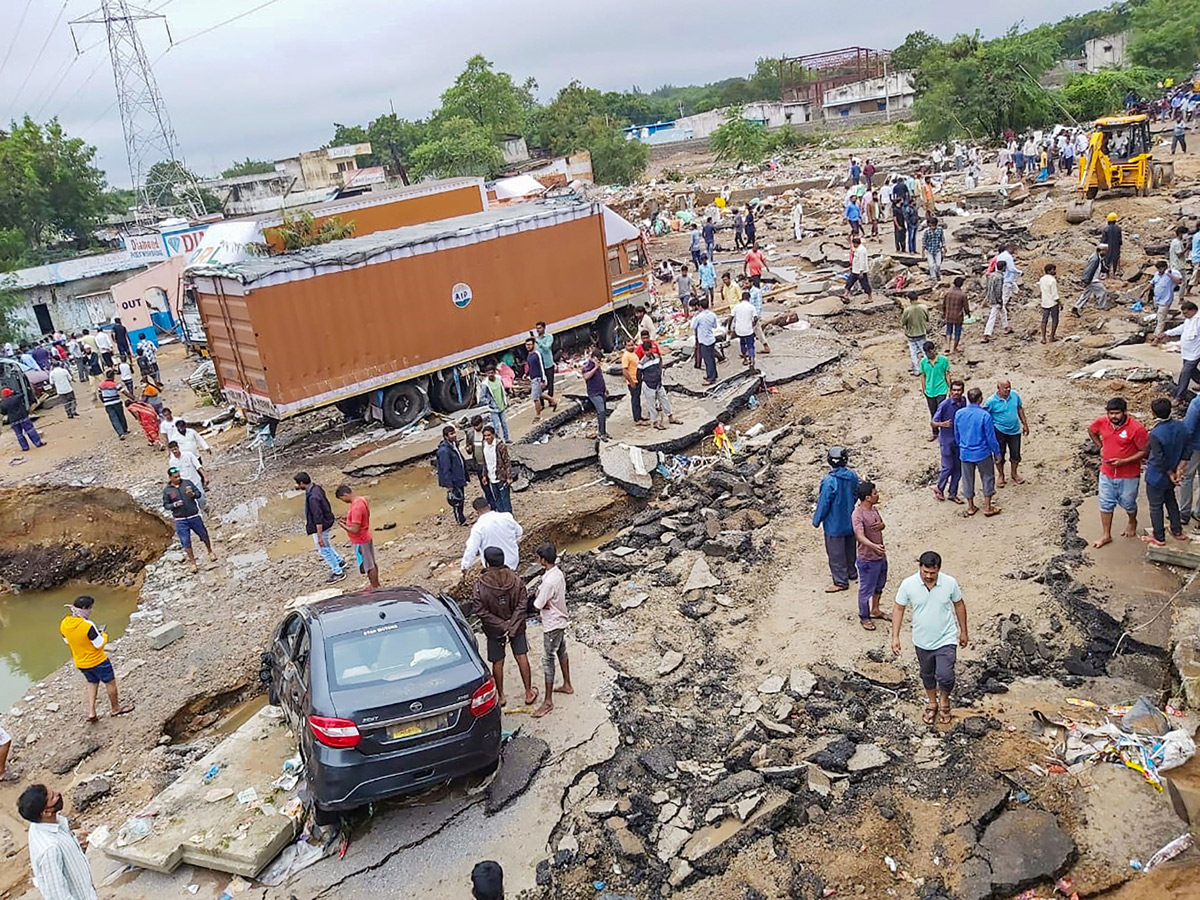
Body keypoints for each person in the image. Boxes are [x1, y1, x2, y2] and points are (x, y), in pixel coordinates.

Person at [891, 550, 968, 727]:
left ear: (938, 569)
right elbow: (898, 608)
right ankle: (932, 703)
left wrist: (963, 631)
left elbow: (959, 604)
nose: (928, 576)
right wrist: (895, 636)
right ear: (920, 567)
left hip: (946, 638)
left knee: (945, 675)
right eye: (925, 572)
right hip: (921, 639)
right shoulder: (908, 584)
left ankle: (944, 701)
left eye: (932, 573)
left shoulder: (949, 583)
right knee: (927, 674)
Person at [472, 546, 536, 707]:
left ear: (487, 562)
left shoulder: (481, 584)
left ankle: (501, 697)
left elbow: (479, 610)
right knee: (521, 656)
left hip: (494, 630)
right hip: (517, 626)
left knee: (498, 661)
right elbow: (523, 603)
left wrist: (502, 625)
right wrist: (512, 625)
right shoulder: (515, 579)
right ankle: (528, 692)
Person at [1088, 397, 1150, 549]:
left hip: (1129, 475)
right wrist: (1100, 447)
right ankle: (1106, 534)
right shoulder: (1102, 422)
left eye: (1117, 413)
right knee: (1105, 503)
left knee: (1128, 503)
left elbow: (1145, 451)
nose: (1113, 417)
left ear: (1125, 412)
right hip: (1106, 472)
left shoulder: (1137, 429)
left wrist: (1124, 461)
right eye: (1110, 413)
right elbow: (1091, 430)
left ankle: (1132, 521)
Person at [18, 783, 99, 900]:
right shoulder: (49, 850)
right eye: (53, 797)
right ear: (46, 812)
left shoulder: (39, 825)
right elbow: (58, 895)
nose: (58, 794)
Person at [60, 594, 134, 721]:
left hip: (81, 662)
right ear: (85, 608)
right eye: (90, 608)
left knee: (92, 683)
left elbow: (67, 641)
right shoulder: (87, 625)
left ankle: (92, 712)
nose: (91, 611)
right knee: (110, 683)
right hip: (98, 661)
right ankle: (115, 709)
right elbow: (99, 644)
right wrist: (104, 635)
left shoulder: (65, 623)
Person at [531, 542, 573, 718]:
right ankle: (567, 684)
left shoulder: (548, 582)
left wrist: (537, 599)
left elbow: (537, 604)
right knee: (561, 651)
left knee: (548, 659)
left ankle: (548, 702)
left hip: (552, 623)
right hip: (560, 619)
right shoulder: (557, 574)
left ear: (542, 560)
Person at [1142, 398, 1191, 547]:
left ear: (1153, 413)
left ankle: (1159, 537)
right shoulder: (1181, 427)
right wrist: (1179, 470)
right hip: (1174, 473)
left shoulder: (1156, 433)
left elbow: (1159, 458)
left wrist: (1170, 473)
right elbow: (1187, 450)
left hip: (1157, 476)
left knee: (1156, 506)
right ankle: (1177, 530)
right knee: (1171, 501)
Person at [812, 446, 859, 593]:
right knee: (850, 550)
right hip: (850, 519)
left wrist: (816, 520)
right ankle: (852, 573)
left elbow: (824, 503)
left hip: (834, 524)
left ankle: (840, 581)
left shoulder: (829, 481)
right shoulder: (852, 475)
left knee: (836, 554)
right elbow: (856, 493)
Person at [954, 387, 1002, 517]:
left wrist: (961, 446)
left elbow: (957, 434)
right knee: (987, 477)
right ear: (980, 399)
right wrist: (997, 452)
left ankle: (970, 506)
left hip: (965, 452)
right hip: (982, 453)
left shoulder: (959, 413)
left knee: (967, 479)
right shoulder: (985, 415)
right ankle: (987, 506)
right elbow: (990, 438)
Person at [163, 466, 216, 573]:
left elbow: (198, 494)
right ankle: (193, 563)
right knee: (186, 541)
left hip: (194, 515)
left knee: (203, 535)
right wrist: (174, 504)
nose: (178, 478)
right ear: (170, 478)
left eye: (179, 476)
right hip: (180, 519)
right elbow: (166, 505)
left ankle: (210, 551)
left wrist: (192, 494)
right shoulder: (167, 491)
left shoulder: (187, 483)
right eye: (175, 477)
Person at [294, 472, 345, 581]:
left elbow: (318, 517)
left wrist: (319, 535)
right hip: (328, 520)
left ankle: (338, 572)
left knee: (323, 548)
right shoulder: (316, 488)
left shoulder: (313, 498)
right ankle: (339, 561)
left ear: (302, 483)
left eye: (298, 484)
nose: (297, 486)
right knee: (326, 545)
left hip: (322, 525)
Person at [851, 481, 888, 631]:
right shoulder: (857, 515)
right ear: (867, 497)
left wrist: (881, 526)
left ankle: (876, 609)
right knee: (866, 589)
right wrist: (874, 546)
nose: (877, 494)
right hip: (867, 558)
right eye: (874, 493)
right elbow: (859, 536)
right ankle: (864, 616)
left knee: (879, 585)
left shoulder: (874, 510)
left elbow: (881, 524)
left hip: (880, 556)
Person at [984, 379, 1029, 487]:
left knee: (1016, 454)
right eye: (1005, 388)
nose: (1008, 390)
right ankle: (1001, 475)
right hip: (999, 431)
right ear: (998, 388)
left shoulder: (1015, 395)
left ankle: (1014, 473)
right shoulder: (991, 401)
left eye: (1009, 387)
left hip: (1015, 430)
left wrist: (1025, 424)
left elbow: (1020, 408)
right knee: (999, 455)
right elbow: (985, 415)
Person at [461, 496, 523, 572]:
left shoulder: (478, 528)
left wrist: (464, 567)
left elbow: (471, 550)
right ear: (489, 506)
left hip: (494, 567)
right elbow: (520, 532)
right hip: (513, 561)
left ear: (476, 513)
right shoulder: (507, 516)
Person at [335, 484, 379, 590]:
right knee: (371, 561)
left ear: (345, 495)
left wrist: (342, 525)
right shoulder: (361, 500)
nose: (344, 501)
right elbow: (361, 518)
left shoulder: (356, 508)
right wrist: (348, 519)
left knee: (368, 565)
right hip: (366, 536)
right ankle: (375, 584)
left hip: (360, 540)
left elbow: (355, 529)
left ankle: (375, 587)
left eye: (342, 499)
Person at [1155, 300, 1200, 400]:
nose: (1184, 315)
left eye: (1186, 313)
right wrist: (1167, 333)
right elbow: (1181, 328)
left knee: (1185, 373)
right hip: (1187, 352)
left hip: (1195, 352)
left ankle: (1179, 397)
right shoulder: (1189, 320)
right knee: (1192, 371)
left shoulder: (1198, 321)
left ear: (1192, 310)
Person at [932, 380, 966, 503]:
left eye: (959, 390)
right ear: (950, 391)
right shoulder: (944, 405)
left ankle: (953, 493)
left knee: (958, 468)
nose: (956, 392)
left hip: (959, 440)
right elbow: (933, 422)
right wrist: (942, 424)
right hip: (946, 441)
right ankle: (939, 488)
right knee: (947, 466)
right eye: (954, 390)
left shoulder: (964, 402)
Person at [638, 340, 677, 430]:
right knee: (651, 404)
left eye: (649, 350)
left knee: (664, 399)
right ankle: (655, 422)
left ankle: (670, 417)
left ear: (652, 349)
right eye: (646, 351)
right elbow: (639, 375)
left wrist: (659, 374)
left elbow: (659, 365)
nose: (648, 352)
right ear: (643, 351)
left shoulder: (656, 357)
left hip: (658, 383)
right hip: (649, 385)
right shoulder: (642, 362)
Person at [436, 424, 469, 526]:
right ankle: (460, 520)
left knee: (461, 498)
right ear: (446, 436)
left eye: (454, 433)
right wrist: (449, 485)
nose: (454, 435)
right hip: (454, 480)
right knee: (456, 500)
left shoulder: (454, 445)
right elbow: (446, 469)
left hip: (459, 477)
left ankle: (461, 516)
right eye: (451, 434)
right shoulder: (444, 451)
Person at [919, 341, 950, 441]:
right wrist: (923, 388)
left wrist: (950, 387)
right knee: (933, 412)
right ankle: (935, 433)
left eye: (929, 351)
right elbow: (922, 376)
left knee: (942, 411)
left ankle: (945, 433)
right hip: (929, 391)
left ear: (933, 350)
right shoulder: (923, 362)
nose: (928, 354)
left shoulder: (943, 360)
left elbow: (947, 374)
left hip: (941, 389)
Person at [478, 423, 512, 513]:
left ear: (493, 435)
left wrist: (509, 477)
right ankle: (501, 516)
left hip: (501, 476)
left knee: (505, 499)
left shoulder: (500, 446)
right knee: (497, 498)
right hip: (491, 476)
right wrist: (484, 475)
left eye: (489, 435)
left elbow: (507, 461)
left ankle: (508, 518)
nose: (487, 438)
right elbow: (485, 461)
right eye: (485, 436)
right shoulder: (484, 445)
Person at [523, 337, 558, 422]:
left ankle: (538, 415)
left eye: (529, 345)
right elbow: (530, 366)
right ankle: (553, 401)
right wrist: (526, 374)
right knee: (539, 394)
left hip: (538, 378)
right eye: (527, 345)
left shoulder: (537, 354)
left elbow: (541, 367)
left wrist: (543, 379)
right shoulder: (529, 355)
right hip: (533, 378)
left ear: (533, 345)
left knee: (535, 398)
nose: (528, 346)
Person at [1, 386, 45, 452]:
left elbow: (3, 412)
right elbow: (22, 394)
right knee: (30, 430)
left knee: (19, 435)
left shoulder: (3, 404)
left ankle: (25, 448)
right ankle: (38, 443)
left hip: (13, 420)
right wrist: (14, 392)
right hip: (23, 417)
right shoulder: (17, 398)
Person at [1146, 260, 1183, 337]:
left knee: (1161, 318)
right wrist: (1143, 291)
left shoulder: (1173, 273)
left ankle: (1157, 335)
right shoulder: (1157, 274)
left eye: (1160, 269)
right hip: (1157, 299)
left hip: (1166, 300)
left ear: (1165, 267)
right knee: (1159, 315)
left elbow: (1178, 282)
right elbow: (1152, 283)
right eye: (1158, 269)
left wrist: (1169, 274)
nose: (1159, 271)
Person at [581, 347, 610, 441]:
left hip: (601, 391)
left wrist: (605, 388)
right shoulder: (588, 365)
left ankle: (604, 431)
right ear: (594, 357)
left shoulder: (598, 366)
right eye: (598, 359)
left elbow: (600, 377)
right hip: (594, 393)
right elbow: (586, 376)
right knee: (601, 411)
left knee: (603, 412)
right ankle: (602, 433)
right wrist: (595, 367)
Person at [1072, 244, 1109, 316]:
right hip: (1092, 280)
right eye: (1105, 251)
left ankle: (1076, 307)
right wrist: (1086, 280)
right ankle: (1101, 307)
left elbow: (1101, 266)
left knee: (1086, 294)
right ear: (1100, 250)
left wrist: (1106, 270)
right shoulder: (1094, 259)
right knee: (1103, 291)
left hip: (1091, 279)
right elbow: (1089, 270)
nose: (1106, 252)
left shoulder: (1098, 257)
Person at [691, 297, 720, 385]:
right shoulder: (712, 315)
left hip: (703, 340)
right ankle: (713, 375)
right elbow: (715, 326)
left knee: (708, 360)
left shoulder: (699, 317)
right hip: (711, 338)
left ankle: (711, 378)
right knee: (711, 358)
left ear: (700, 306)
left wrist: (694, 317)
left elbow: (692, 326)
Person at [477, 365, 510, 442]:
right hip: (493, 408)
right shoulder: (485, 384)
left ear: (495, 372)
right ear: (486, 374)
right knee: (496, 426)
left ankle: (507, 438)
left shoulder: (499, 379)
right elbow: (482, 398)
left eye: (492, 373)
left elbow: (503, 390)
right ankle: (497, 440)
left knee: (504, 423)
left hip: (502, 406)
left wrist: (506, 400)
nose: (490, 375)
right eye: (488, 373)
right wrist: (490, 402)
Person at [901, 297, 930, 376]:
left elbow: (903, 322)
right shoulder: (924, 307)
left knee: (913, 352)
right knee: (924, 351)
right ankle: (928, 369)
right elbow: (927, 319)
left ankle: (917, 370)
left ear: (909, 299)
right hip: (921, 332)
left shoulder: (907, 310)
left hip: (911, 334)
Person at [97, 370, 128, 440]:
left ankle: (120, 433)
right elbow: (124, 392)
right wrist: (133, 398)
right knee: (121, 416)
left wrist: (104, 401)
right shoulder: (115, 384)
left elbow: (100, 394)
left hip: (108, 404)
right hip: (117, 402)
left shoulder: (101, 385)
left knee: (114, 418)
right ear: (113, 376)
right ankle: (124, 429)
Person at [620, 338, 645, 424]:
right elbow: (624, 371)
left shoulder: (633, 354)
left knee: (637, 398)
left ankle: (639, 416)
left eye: (632, 345)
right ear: (625, 346)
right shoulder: (626, 356)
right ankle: (637, 419)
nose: (631, 347)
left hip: (638, 379)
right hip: (633, 381)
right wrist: (631, 382)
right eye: (629, 345)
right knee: (635, 399)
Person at [942, 276, 969, 355]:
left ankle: (947, 346)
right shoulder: (962, 295)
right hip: (958, 316)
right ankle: (954, 348)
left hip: (949, 315)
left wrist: (944, 313)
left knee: (948, 331)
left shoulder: (948, 293)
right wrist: (968, 313)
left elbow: (944, 305)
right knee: (957, 332)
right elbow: (966, 307)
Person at [983, 259, 1008, 341]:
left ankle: (1006, 327)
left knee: (1003, 312)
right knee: (993, 316)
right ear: (1003, 267)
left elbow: (987, 288)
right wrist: (1000, 300)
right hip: (996, 300)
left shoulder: (991, 275)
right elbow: (998, 290)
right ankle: (987, 333)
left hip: (991, 298)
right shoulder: (1000, 277)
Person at [731, 290, 757, 369]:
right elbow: (755, 317)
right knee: (750, 345)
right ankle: (752, 360)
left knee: (742, 343)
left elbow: (730, 317)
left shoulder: (736, 306)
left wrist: (730, 328)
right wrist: (753, 324)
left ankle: (745, 359)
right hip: (748, 329)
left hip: (739, 329)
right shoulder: (751, 307)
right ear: (749, 298)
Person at [748, 276, 772, 355]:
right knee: (756, 332)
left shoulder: (756, 292)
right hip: (748, 315)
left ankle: (750, 350)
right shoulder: (747, 292)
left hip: (754, 316)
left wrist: (756, 317)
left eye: (747, 283)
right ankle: (763, 347)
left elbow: (758, 306)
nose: (745, 284)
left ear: (751, 283)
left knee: (756, 332)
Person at [1039, 263, 1061, 343]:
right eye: (1053, 270)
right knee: (1055, 320)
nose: (1054, 271)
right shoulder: (1052, 280)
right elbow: (1054, 295)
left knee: (1044, 320)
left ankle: (1043, 338)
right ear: (1049, 271)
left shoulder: (1042, 279)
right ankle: (1052, 337)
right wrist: (1060, 303)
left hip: (1044, 302)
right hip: (1053, 303)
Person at [533, 322, 556, 397]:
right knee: (540, 384)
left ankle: (551, 399)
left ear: (544, 328)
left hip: (548, 364)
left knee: (550, 383)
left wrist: (537, 342)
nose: (538, 330)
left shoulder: (549, 337)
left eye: (539, 328)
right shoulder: (536, 340)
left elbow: (547, 348)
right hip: (540, 366)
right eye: (537, 329)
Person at [922, 217, 945, 282]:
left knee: (938, 264)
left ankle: (937, 273)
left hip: (938, 249)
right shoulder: (926, 231)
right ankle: (933, 277)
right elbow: (924, 241)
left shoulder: (940, 230)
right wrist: (923, 252)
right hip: (929, 250)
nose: (932, 227)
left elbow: (942, 239)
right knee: (931, 265)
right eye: (930, 226)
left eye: (933, 225)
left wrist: (944, 247)